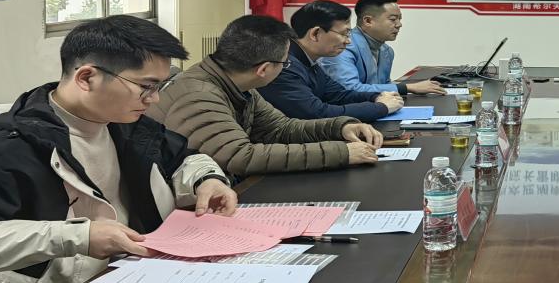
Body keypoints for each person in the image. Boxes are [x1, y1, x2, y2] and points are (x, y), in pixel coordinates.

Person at [0, 16, 236, 283]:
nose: (154, 99)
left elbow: (181, 157)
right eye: (146, 86)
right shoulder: (7, 148)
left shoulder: (124, 124)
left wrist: (207, 179)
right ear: (87, 77)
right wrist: (79, 236)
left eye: (160, 86)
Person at [149, 15, 385, 177]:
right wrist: (341, 153)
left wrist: (340, 127)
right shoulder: (200, 96)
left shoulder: (239, 85)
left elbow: (282, 129)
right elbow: (241, 157)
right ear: (263, 69)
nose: (286, 67)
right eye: (284, 63)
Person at [259, 1, 404, 121]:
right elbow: (317, 113)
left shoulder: (308, 60)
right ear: (315, 33)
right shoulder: (283, 65)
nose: (348, 41)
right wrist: (381, 107)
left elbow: (339, 95)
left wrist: (376, 97)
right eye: (344, 34)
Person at [322, 0, 446, 96]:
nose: (399, 24)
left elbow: (383, 86)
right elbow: (349, 89)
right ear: (368, 21)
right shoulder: (341, 48)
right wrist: (408, 88)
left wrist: (417, 87)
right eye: (393, 19)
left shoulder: (387, 51)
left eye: (400, 19)